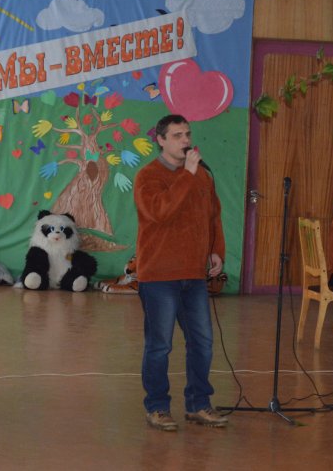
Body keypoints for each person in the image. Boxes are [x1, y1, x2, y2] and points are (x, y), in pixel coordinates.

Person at [133, 114, 227, 431]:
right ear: (160, 140)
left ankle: (199, 404)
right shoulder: (148, 176)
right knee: (160, 346)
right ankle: (157, 407)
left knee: (202, 342)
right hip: (159, 276)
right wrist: (187, 175)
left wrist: (216, 250)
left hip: (194, 275)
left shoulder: (202, 176)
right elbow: (160, 212)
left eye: (187, 134)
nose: (185, 140)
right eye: (177, 135)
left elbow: (213, 216)